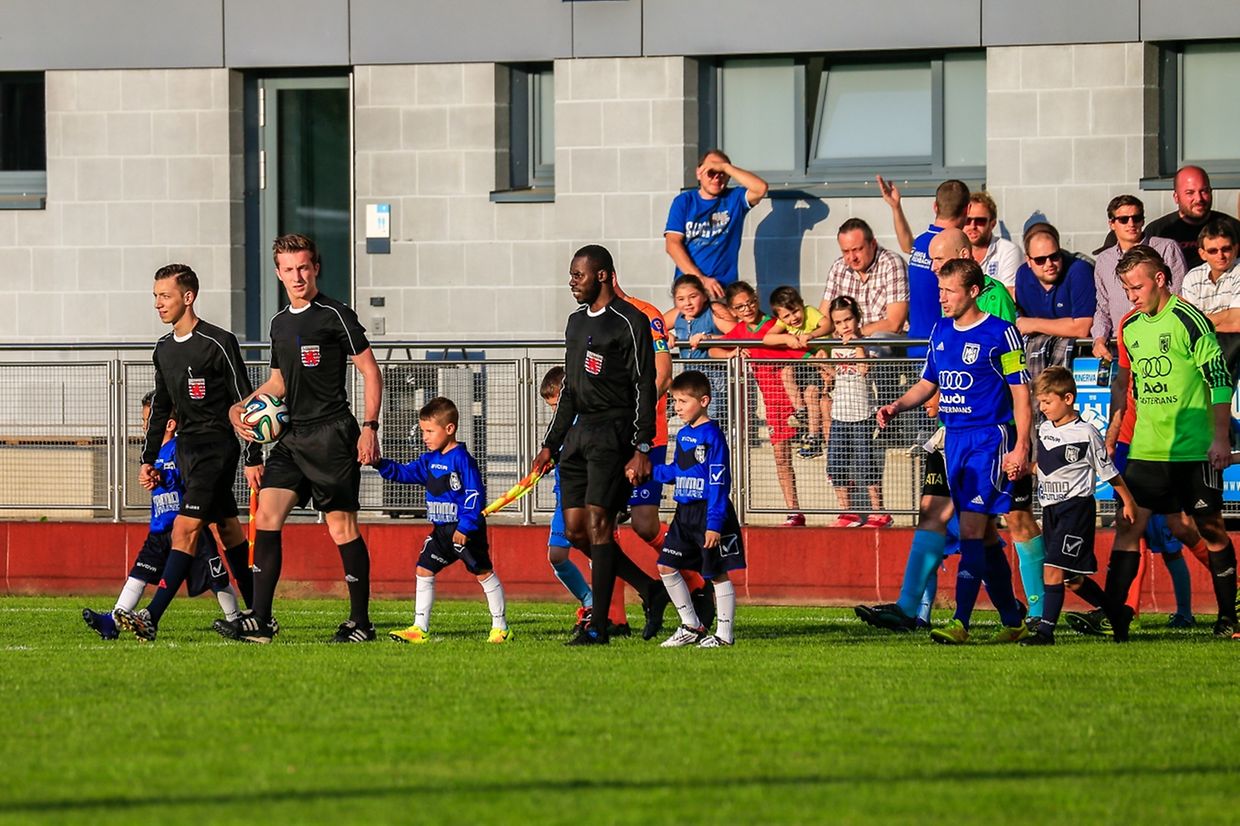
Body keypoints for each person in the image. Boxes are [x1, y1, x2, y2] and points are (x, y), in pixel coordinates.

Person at [855, 233, 1041, 632]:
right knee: (986, 536)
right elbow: (929, 382)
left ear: (973, 291)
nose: (942, 297)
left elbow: (1021, 393)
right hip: (952, 438)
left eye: (950, 291)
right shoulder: (940, 331)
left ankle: (960, 621)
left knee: (973, 529)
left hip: (988, 439)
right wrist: (896, 405)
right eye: (940, 289)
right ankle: (1012, 619)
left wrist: (1022, 445)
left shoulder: (1001, 332)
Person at [224, 233, 384, 644]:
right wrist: (241, 406)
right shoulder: (279, 323)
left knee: (341, 527)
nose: (297, 276)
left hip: (332, 434)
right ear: (278, 272)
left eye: (304, 267)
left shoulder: (337, 315)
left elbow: (370, 371)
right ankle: (260, 620)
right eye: (289, 269)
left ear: (315, 268)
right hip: (293, 437)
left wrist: (370, 428)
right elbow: (278, 383)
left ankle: (360, 623)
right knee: (266, 517)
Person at [532, 244, 671, 645]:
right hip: (579, 435)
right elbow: (571, 389)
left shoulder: (630, 321)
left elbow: (647, 384)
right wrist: (551, 444)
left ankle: (599, 627)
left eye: (579, 275)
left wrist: (641, 445)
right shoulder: (575, 323)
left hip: (615, 432)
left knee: (600, 524)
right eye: (572, 275)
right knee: (576, 531)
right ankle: (650, 589)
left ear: (603, 275)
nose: (572, 282)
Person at [113, 264, 258, 642]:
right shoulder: (162, 349)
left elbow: (246, 401)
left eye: (166, 296)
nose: (158, 304)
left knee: (185, 527)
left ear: (188, 297)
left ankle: (151, 616)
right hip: (188, 450)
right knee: (228, 530)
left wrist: (253, 455)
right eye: (156, 296)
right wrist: (148, 457)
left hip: (217, 446)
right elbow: (161, 406)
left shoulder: (218, 342)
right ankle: (258, 613)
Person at [1105, 245, 1238, 640]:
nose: (1132, 296)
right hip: (1146, 448)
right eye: (1126, 289)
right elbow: (1126, 384)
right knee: (1129, 526)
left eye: (1136, 287)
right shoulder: (1129, 326)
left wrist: (1219, 437)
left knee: (1210, 528)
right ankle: (1115, 618)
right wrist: (1116, 429)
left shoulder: (1189, 319)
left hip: (1193, 449)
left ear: (1160, 280)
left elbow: (1219, 378)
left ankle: (1228, 616)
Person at [84, 392, 246, 640]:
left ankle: (236, 620)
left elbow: (193, 483)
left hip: (189, 527)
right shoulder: (151, 453)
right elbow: (155, 480)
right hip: (160, 528)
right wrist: (149, 477)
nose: (144, 426)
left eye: (148, 420)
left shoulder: (181, 448)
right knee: (139, 574)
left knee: (216, 576)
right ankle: (113, 621)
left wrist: (166, 478)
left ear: (169, 424)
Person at [375, 397, 510, 644]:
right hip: (440, 531)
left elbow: (474, 494)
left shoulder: (462, 459)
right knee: (423, 569)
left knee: (483, 573)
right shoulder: (428, 460)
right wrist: (379, 463)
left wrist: (466, 527)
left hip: (464, 531)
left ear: (449, 429)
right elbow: (405, 473)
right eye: (423, 431)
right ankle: (419, 628)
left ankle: (501, 627)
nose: (424, 436)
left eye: (429, 431)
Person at [1021, 367, 1137, 646]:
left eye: (1048, 402)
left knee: (1052, 568)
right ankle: (1116, 613)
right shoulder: (1045, 428)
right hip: (1050, 509)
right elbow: (1049, 467)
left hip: (1076, 509)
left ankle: (1045, 632)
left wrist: (1128, 501)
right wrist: (1026, 469)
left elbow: (1109, 471)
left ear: (1068, 398)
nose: (1043, 407)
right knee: (1071, 579)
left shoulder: (1086, 433)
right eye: (1040, 402)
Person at [652, 370, 745, 648]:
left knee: (715, 573)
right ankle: (691, 625)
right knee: (666, 566)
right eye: (675, 401)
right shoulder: (683, 435)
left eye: (683, 401)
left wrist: (714, 523)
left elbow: (719, 480)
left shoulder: (713, 436)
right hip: (685, 513)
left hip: (709, 512)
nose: (677, 407)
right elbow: (677, 472)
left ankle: (724, 636)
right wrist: (647, 472)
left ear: (704, 401)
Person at [707, 281, 804, 526]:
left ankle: (847, 511)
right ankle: (794, 511)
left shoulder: (774, 325)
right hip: (772, 403)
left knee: (827, 451)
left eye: (750, 302)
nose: (747, 309)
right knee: (781, 457)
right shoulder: (739, 332)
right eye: (740, 307)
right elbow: (712, 351)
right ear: (732, 310)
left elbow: (802, 350)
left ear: (756, 298)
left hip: (797, 399)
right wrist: (732, 352)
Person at [664, 148, 769, 305]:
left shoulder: (734, 199)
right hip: (690, 290)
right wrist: (701, 279)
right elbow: (672, 244)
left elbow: (760, 188)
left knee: (723, 329)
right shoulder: (684, 202)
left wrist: (726, 167)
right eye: (711, 172)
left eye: (721, 174)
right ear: (699, 173)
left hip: (723, 289)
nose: (716, 178)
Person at [1091, 195, 1187, 361]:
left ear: (1143, 221)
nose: (1131, 223)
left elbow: (1179, 298)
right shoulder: (1104, 260)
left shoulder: (1166, 248)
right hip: (1120, 345)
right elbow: (1103, 308)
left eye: (1136, 218)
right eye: (1123, 219)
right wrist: (1099, 339)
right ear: (1112, 224)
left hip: (1161, 341)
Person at [822, 296, 889, 528]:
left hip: (862, 414)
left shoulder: (868, 344)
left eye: (848, 320)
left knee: (865, 463)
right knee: (835, 464)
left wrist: (856, 343)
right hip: (840, 414)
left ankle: (879, 512)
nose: (844, 326)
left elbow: (863, 368)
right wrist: (823, 366)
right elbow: (833, 378)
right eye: (839, 323)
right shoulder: (833, 346)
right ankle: (846, 512)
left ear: (857, 319)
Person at [885, 178, 970, 353]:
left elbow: (907, 245)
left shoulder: (922, 242)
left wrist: (896, 208)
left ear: (935, 207)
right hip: (943, 347)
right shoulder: (953, 247)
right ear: (967, 210)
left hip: (917, 345)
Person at [1015, 222, 1096, 377]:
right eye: (1040, 260)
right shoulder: (1023, 276)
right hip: (1040, 358)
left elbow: (1082, 328)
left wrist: (1034, 323)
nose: (1049, 264)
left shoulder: (1079, 270)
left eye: (1054, 256)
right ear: (1029, 261)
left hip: (1082, 360)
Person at [764, 285, 831, 458]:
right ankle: (800, 411)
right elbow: (767, 338)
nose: (793, 318)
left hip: (819, 360)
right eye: (786, 316)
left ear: (802, 305)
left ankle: (814, 437)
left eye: (795, 311)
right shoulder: (783, 323)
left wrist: (812, 335)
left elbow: (827, 325)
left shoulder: (810, 312)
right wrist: (786, 337)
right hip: (804, 363)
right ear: (780, 317)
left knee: (811, 393)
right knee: (786, 372)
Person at [817, 218, 909, 337]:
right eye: (845, 251)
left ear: (873, 244)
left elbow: (894, 324)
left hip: (886, 344)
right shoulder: (838, 268)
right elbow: (823, 319)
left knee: (880, 337)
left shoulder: (892, 263)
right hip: (848, 342)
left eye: (857, 249)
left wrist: (855, 335)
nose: (852, 257)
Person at [1139, 166, 1240, 270]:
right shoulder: (1158, 232)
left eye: (1204, 191)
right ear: (1176, 197)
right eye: (1190, 193)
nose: (1198, 198)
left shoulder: (1233, 228)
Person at [1180, 219, 1240, 382]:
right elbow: (1188, 327)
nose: (1220, 255)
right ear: (1202, 253)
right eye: (1213, 251)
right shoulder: (1192, 278)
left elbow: (1237, 322)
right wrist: (1226, 315)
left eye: (1226, 249)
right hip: (1202, 348)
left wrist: (1202, 321)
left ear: (1236, 248)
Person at [964, 191, 1021, 296]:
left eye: (980, 221)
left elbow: (1008, 295)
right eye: (967, 220)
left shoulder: (1008, 251)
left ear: (992, 224)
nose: (973, 226)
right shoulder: (954, 250)